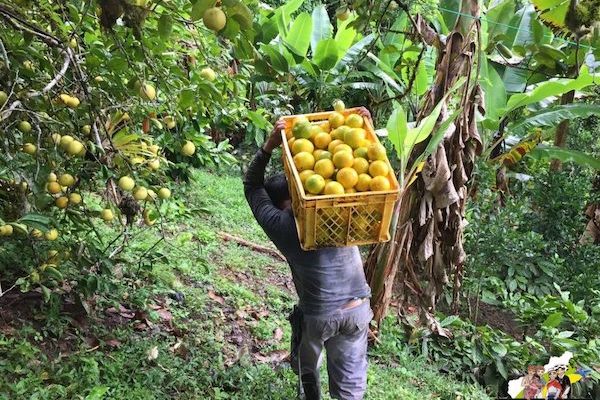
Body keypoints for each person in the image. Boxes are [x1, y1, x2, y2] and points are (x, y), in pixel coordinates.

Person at [243, 109, 374, 400]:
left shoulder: (280, 226)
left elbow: (251, 185)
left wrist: (269, 146)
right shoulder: (336, 208)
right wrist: (367, 132)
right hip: (357, 309)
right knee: (350, 390)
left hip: (319, 315)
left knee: (308, 374)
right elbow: (363, 176)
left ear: (279, 203)